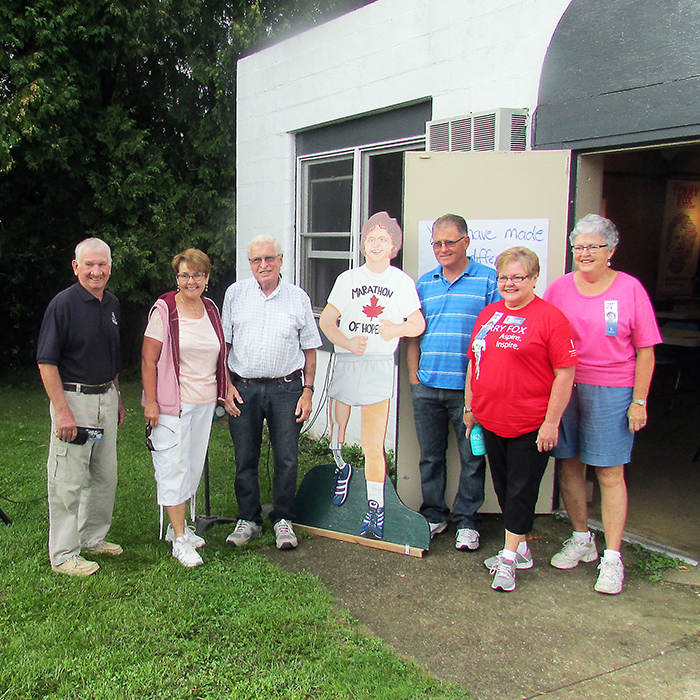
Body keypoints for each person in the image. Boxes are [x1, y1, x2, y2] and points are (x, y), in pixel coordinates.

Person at [544, 214, 662, 595]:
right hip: (566, 385)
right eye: (579, 247)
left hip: (613, 388)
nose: (585, 253)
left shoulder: (630, 289)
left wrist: (638, 401)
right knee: (569, 465)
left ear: (611, 250)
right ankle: (582, 539)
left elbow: (646, 352)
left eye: (593, 247)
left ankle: (612, 557)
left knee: (609, 473)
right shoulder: (559, 288)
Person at [464, 246, 578, 592]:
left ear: (533, 278)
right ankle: (522, 549)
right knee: (502, 486)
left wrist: (551, 422)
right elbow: (474, 361)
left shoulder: (550, 318)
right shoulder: (489, 315)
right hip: (490, 418)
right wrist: (470, 409)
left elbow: (565, 373)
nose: (509, 283)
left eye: (517, 277)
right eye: (503, 277)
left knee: (520, 491)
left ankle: (509, 559)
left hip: (530, 423)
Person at [319, 212, 425, 540]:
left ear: (394, 245)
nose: (375, 244)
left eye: (383, 239)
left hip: (379, 364)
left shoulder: (401, 282)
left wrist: (398, 328)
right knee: (337, 430)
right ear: (362, 243)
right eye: (370, 238)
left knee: (372, 443)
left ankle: (375, 506)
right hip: (348, 361)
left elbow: (417, 323)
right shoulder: (348, 279)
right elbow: (327, 321)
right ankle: (341, 468)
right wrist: (348, 341)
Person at [405, 214, 501, 551]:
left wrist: (483, 386)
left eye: (450, 242)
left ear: (466, 242)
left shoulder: (489, 281)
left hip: (470, 391)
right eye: (437, 243)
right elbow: (413, 336)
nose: (443, 249)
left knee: (472, 457)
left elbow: (496, 337)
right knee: (430, 457)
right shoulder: (424, 284)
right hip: (428, 386)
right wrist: (414, 378)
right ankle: (433, 515)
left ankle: (468, 521)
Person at [222, 235, 322, 550]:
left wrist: (307, 392)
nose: (263, 265)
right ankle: (248, 519)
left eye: (269, 258)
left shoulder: (298, 297)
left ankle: (282, 519)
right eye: (256, 260)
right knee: (245, 456)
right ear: (249, 263)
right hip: (244, 388)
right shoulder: (235, 294)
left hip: (287, 388)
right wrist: (226, 387)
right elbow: (223, 346)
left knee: (287, 457)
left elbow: (310, 350)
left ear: (280, 260)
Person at [37, 238, 126, 577]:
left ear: (110, 266)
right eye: (89, 264)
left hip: (105, 401)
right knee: (68, 479)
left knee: (104, 475)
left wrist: (116, 396)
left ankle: (92, 536)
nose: (96, 271)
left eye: (102, 264)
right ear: (76, 267)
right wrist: (62, 411)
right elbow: (47, 362)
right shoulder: (63, 305)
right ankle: (63, 554)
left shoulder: (113, 304)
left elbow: (112, 357)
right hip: (74, 402)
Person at [141, 249, 235, 567]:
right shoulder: (165, 309)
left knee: (192, 466)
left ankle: (177, 527)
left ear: (207, 278)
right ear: (176, 278)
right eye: (184, 275)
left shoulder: (210, 308)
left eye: (196, 275)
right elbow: (148, 358)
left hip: (204, 402)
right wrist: (152, 402)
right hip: (172, 404)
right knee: (172, 466)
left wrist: (225, 389)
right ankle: (180, 539)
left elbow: (219, 355)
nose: (190, 280)